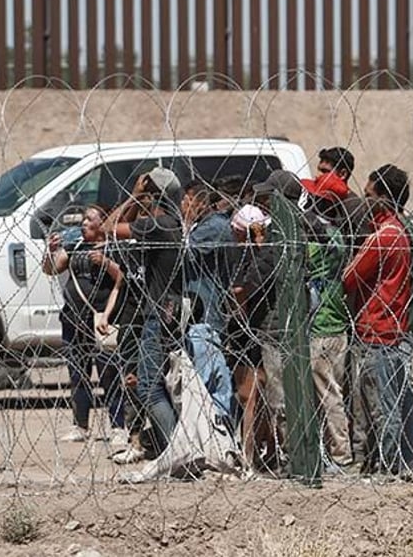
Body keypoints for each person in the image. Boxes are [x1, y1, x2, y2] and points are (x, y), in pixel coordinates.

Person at [342, 164, 413, 479]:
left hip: (377, 329)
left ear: (385, 198)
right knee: (395, 401)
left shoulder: (383, 236)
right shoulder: (401, 231)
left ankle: (390, 467)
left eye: (369, 195)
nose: (364, 201)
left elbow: (348, 278)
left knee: (381, 406)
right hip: (393, 328)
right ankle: (401, 463)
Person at [103, 167, 184, 452]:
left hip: (157, 313)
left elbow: (108, 228)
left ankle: (177, 449)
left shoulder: (159, 225)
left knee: (148, 386)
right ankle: (173, 445)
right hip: (168, 309)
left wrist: (133, 196)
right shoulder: (174, 222)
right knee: (159, 384)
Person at [42, 204, 127, 445]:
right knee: (78, 374)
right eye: (83, 220)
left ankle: (118, 426)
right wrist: (50, 250)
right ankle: (80, 424)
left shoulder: (112, 248)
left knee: (108, 373)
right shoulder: (76, 245)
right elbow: (51, 269)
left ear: (102, 223)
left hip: (100, 320)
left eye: (90, 220)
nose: (84, 224)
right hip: (73, 319)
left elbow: (122, 278)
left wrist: (106, 262)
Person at [226, 204, 282, 470]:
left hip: (254, 331)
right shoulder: (256, 255)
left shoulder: (257, 258)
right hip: (253, 331)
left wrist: (238, 307)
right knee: (257, 395)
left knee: (251, 395)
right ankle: (264, 451)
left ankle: (251, 454)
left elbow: (240, 294)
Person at [303, 173, 353, 469]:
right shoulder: (339, 236)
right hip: (336, 321)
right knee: (334, 391)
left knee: (329, 394)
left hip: (322, 326)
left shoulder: (316, 241)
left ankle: (340, 455)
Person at [181, 179, 234, 335]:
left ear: (202, 203)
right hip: (198, 306)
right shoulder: (206, 224)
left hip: (207, 311)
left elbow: (183, 254)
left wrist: (186, 221)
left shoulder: (213, 227)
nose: (184, 205)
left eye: (188, 201)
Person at [315, 147, 369, 248]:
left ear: (343, 174)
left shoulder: (353, 205)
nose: (319, 177)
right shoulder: (318, 199)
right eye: (319, 171)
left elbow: (364, 243)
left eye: (325, 172)